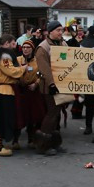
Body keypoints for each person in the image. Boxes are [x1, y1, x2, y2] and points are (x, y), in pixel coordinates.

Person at [0, 34, 28, 155]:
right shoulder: (4, 56)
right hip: (3, 91)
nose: (15, 46)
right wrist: (24, 68)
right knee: (3, 119)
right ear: (6, 43)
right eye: (13, 43)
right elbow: (11, 71)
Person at [34, 21, 68, 156]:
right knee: (51, 114)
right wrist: (52, 84)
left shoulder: (63, 44)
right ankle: (43, 144)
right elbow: (44, 69)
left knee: (57, 114)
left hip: (62, 84)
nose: (61, 32)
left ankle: (54, 142)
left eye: (61, 30)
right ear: (50, 32)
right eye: (58, 30)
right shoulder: (43, 47)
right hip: (49, 86)